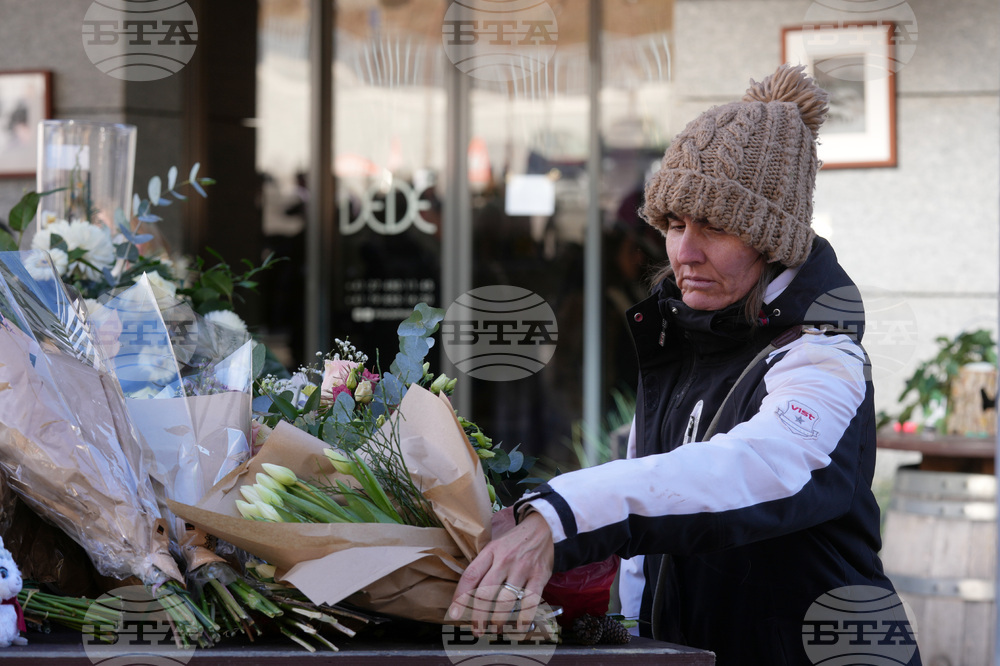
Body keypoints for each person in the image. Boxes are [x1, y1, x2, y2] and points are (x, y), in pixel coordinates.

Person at [448, 64, 921, 665]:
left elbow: (754, 467)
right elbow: (654, 544)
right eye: (674, 224)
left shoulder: (824, 355)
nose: (684, 252)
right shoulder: (682, 339)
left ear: (772, 241)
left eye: (716, 228)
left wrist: (565, 514)